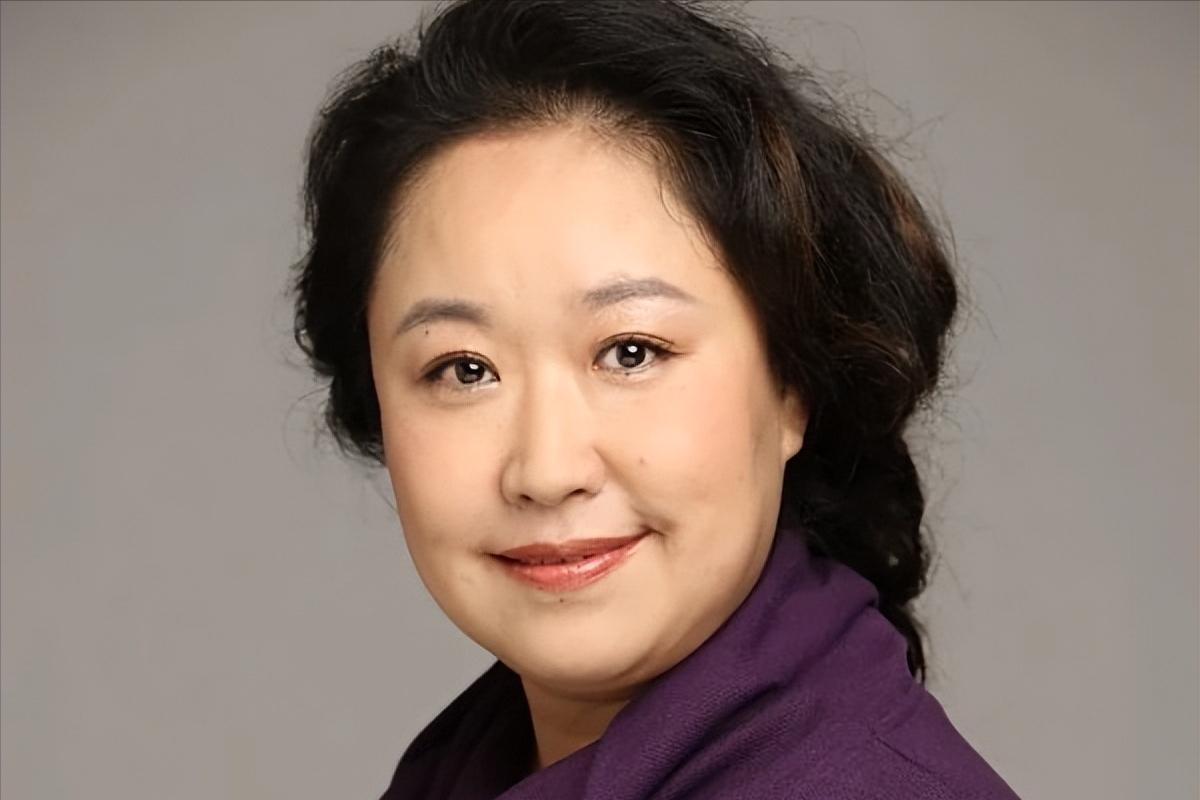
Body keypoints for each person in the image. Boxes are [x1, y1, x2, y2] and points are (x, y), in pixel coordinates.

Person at [288, 0, 1022, 797]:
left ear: (793, 383)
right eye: (464, 370)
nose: (546, 470)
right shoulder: (462, 771)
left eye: (630, 352)